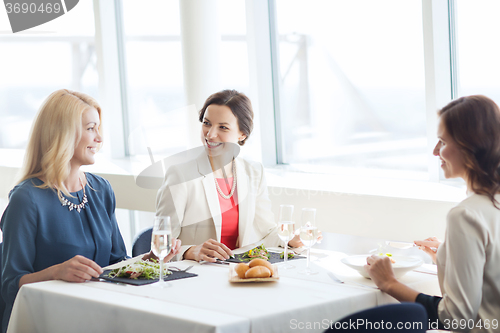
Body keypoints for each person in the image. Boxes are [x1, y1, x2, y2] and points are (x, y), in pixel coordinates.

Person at [0, 89, 180, 332]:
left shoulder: (101, 189)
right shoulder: (27, 199)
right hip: (50, 320)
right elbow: (11, 283)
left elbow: (117, 262)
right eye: (90, 128)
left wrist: (150, 260)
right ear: (62, 134)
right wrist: (56, 272)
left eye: (98, 128)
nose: (99, 138)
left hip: (101, 314)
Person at [365, 95, 500, 332]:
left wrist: (389, 282)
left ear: (471, 147)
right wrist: (448, 256)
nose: (435, 151)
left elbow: (456, 318)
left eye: (442, 142)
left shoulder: (465, 215)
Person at [156, 89, 307, 262]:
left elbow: (267, 232)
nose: (210, 134)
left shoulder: (254, 172)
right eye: (206, 123)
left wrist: (292, 240)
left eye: (223, 127)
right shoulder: (180, 175)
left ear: (242, 134)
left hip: (237, 273)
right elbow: (160, 246)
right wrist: (190, 251)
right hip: (196, 275)